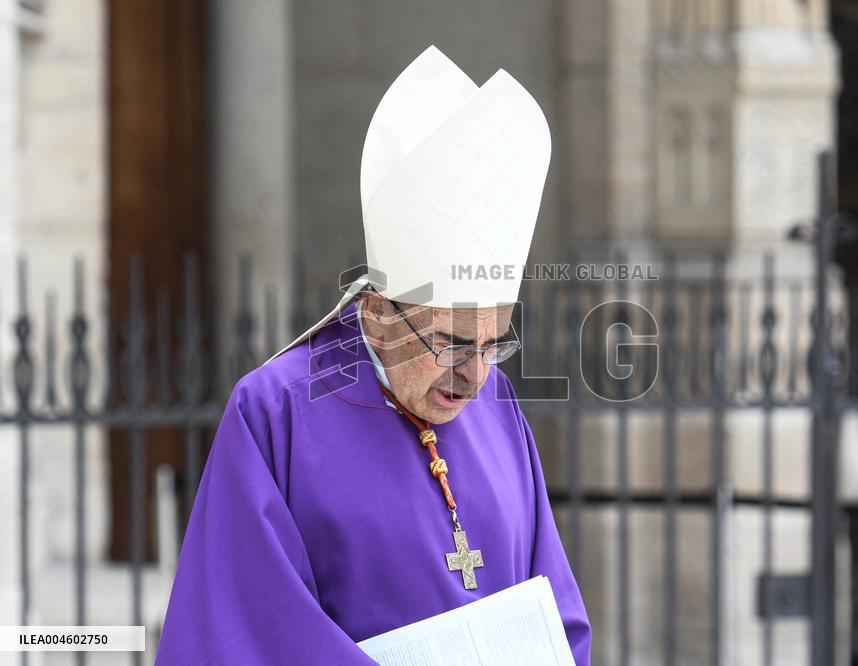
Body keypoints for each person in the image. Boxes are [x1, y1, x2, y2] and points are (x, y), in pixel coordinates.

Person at [155, 45, 592, 664]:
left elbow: (557, 612)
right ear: (377, 314)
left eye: (495, 344)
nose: (474, 377)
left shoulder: (498, 404)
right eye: (452, 344)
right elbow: (247, 626)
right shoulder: (274, 413)